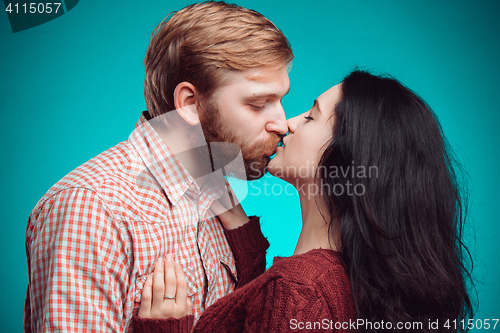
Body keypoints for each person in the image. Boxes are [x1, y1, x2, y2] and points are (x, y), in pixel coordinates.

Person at [133, 70, 474, 332]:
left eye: (311, 116)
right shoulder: (341, 280)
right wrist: (239, 227)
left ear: (347, 159)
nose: (286, 124)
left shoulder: (299, 290)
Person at [24, 2, 293, 332]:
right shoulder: (92, 209)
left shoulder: (219, 192)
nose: (282, 123)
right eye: (258, 103)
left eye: (280, 99)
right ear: (191, 104)